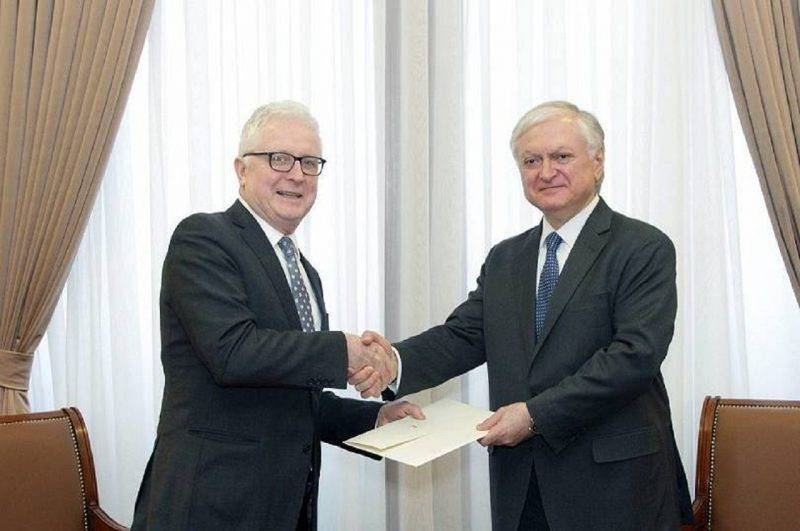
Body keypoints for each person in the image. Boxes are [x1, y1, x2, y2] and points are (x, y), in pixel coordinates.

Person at [359, 101, 692, 530]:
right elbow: (464, 336)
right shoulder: (506, 259)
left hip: (615, 488)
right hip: (522, 488)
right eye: (531, 161)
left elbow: (634, 357)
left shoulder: (642, 247)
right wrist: (392, 362)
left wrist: (534, 416)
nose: (546, 171)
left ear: (598, 161)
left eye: (561, 156)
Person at [132, 100, 422, 530]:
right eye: (279, 158)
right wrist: (342, 351)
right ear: (241, 169)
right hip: (209, 508)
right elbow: (233, 353)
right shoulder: (204, 238)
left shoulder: (306, 274)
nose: (297, 174)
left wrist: (375, 418)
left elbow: (297, 399)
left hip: (287, 510)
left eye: (309, 163)